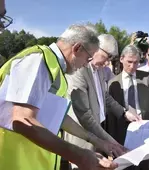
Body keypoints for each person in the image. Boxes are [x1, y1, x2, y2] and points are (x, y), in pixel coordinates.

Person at [0, 18, 117, 170]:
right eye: (88, 58)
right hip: (13, 160)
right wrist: (78, 155)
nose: (87, 64)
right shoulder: (38, 60)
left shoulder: (56, 70)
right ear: (77, 48)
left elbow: (58, 118)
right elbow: (22, 119)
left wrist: (95, 140)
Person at [65, 34, 138, 169]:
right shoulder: (79, 70)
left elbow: (104, 96)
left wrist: (124, 113)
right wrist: (111, 142)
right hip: (82, 137)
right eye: (107, 56)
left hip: (98, 131)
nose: (107, 63)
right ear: (97, 48)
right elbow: (85, 115)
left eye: (111, 58)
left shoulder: (100, 70)